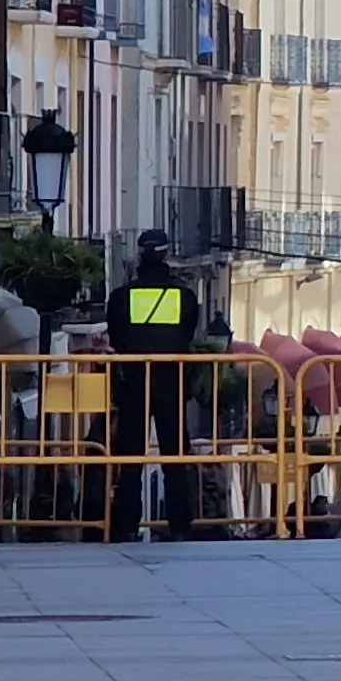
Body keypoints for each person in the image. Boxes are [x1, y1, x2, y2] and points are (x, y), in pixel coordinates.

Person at [104, 230, 203, 541]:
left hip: (133, 379)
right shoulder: (184, 297)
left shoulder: (121, 297)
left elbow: (116, 337)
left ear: (139, 255)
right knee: (175, 457)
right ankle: (180, 526)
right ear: (167, 254)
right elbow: (187, 334)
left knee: (130, 457)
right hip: (171, 380)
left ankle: (125, 526)